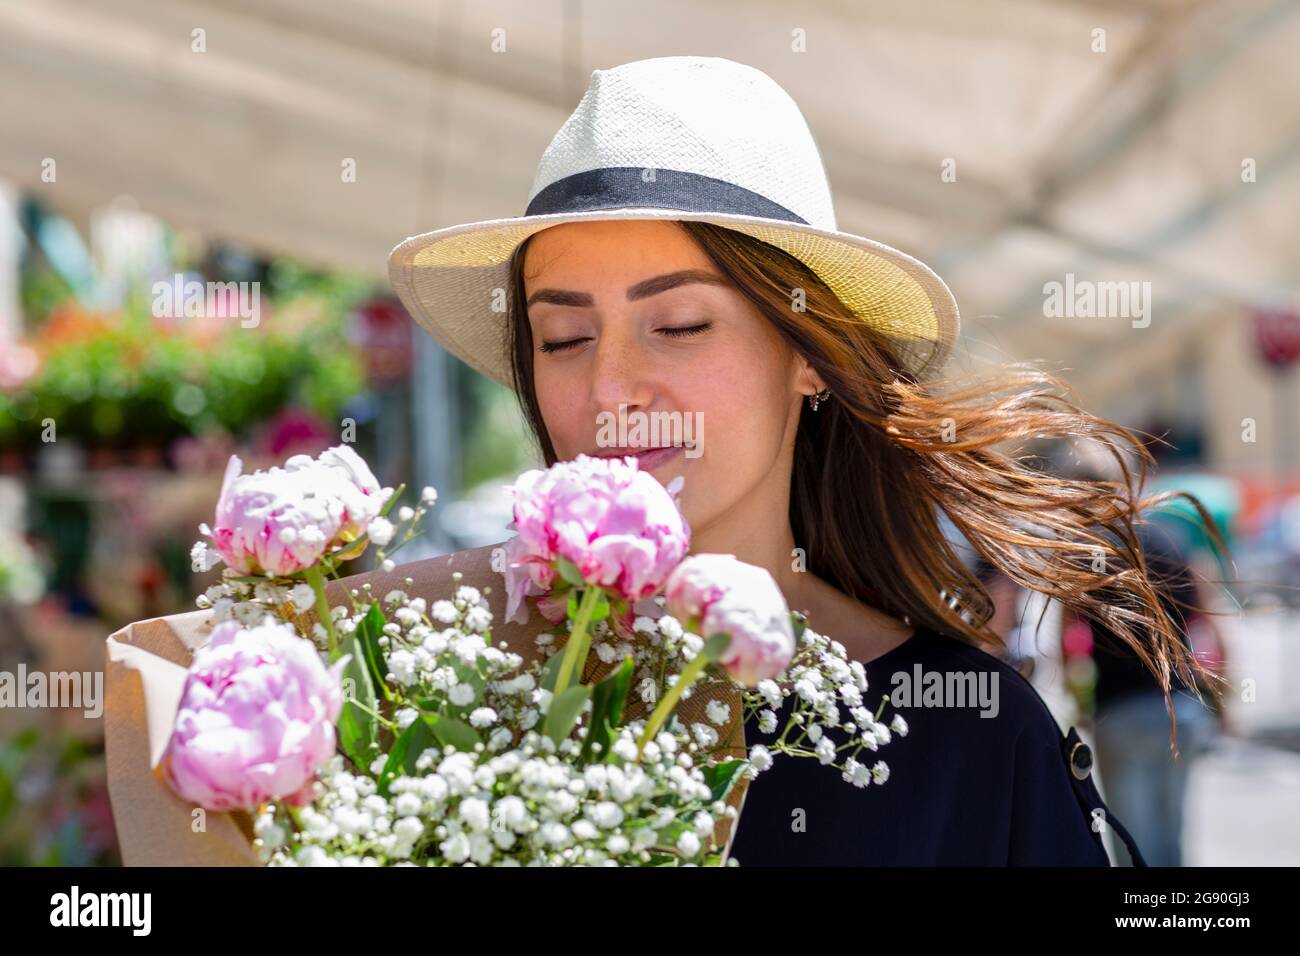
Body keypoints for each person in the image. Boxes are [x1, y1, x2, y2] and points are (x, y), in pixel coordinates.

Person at [105, 56, 1211, 865]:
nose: (611, 387)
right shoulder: (389, 692)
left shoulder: (970, 737)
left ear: (810, 357)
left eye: (678, 324)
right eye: (563, 335)